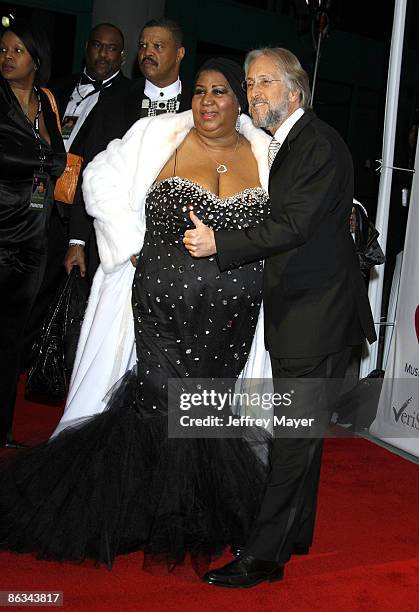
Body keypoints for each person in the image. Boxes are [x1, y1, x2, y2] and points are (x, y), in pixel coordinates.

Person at [0, 58, 272, 571]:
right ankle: (138, 514)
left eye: (219, 92)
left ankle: (192, 514)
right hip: (160, 308)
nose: (207, 102)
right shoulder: (156, 135)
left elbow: (293, 217)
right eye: (199, 92)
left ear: (239, 102)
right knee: (155, 402)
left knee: (206, 407)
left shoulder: (265, 153)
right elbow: (98, 177)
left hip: (233, 319)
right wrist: (130, 244)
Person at [184, 47, 377, 587]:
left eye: (264, 82)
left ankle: (263, 555)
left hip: (317, 315)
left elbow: (292, 226)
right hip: (308, 312)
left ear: (295, 91)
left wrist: (219, 243)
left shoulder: (314, 143)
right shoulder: (289, 142)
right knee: (303, 434)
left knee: (291, 438)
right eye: (249, 83)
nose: (253, 92)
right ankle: (292, 535)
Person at [24, 23, 131, 356]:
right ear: (87, 47)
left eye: (112, 48)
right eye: (98, 45)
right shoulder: (58, 87)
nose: (104, 53)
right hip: (37, 201)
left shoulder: (130, 97)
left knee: (67, 296)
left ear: (122, 55)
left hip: (82, 211)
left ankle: (49, 358)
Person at [64, 17, 191, 281]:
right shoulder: (114, 99)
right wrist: (77, 240)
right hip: (116, 237)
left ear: (179, 53)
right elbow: (92, 168)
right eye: (143, 46)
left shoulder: (197, 104)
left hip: (181, 242)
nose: (147, 53)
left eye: (158, 46)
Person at [0, 20, 66, 449]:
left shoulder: (46, 101)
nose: (6, 57)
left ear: (37, 60)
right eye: (2, 49)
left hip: (34, 240)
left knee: (12, 342)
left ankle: (2, 429)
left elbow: (58, 162)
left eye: (17, 50)